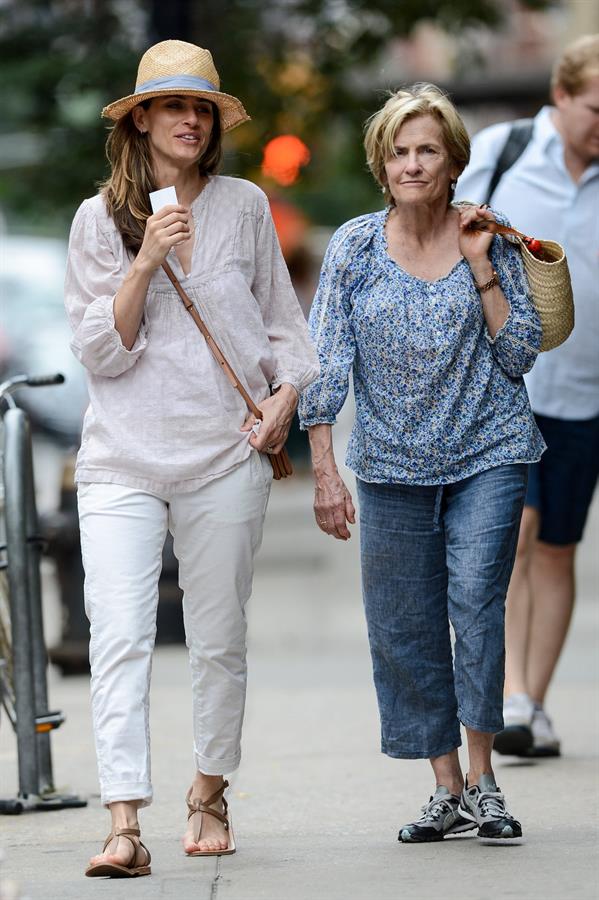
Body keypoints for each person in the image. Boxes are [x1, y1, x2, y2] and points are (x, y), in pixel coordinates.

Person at [64, 39, 318, 877]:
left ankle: (208, 791)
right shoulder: (98, 219)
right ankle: (124, 821)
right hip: (122, 461)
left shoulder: (245, 207)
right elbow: (104, 354)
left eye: (201, 108)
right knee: (121, 637)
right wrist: (145, 259)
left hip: (224, 455)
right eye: (173, 105)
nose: (189, 119)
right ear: (140, 118)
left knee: (217, 640)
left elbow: (284, 329)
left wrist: (286, 397)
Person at [299, 83, 545, 844]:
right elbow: (326, 362)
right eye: (399, 151)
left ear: (451, 162)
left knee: (474, 606)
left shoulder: (491, 236)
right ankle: (443, 786)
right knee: (403, 627)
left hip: (487, 450)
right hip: (390, 466)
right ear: (381, 165)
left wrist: (480, 265)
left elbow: (519, 353)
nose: (411, 163)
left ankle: (484, 779)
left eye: (426, 150)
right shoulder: (353, 247)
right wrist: (324, 468)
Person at [456, 34, 599, 758]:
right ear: (561, 96)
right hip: (506, 385)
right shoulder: (503, 152)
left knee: (556, 549)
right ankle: (509, 692)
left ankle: (533, 705)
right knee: (513, 537)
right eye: (596, 109)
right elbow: (446, 232)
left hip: (586, 393)